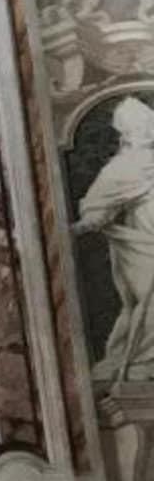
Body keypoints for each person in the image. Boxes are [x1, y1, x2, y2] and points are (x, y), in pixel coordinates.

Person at [73, 96, 154, 384]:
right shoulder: (120, 168)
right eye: (142, 125)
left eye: (150, 123)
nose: (149, 129)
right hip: (141, 246)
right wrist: (82, 226)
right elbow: (99, 205)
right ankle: (137, 362)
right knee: (148, 300)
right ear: (127, 133)